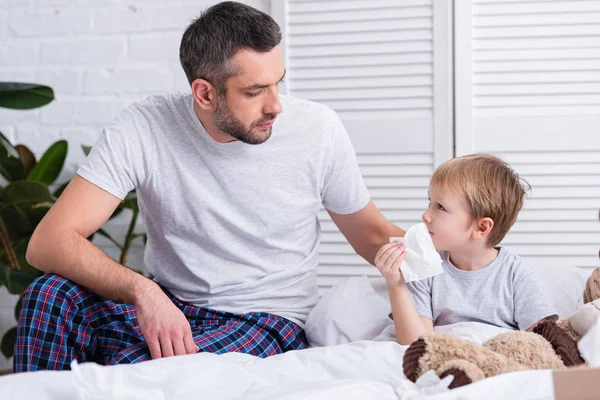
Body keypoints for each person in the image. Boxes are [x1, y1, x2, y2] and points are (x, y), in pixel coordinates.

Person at [15, 1, 404, 371]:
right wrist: (144, 292)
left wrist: (454, 259)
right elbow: (48, 243)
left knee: (138, 375)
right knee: (50, 296)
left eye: (277, 84)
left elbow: (371, 234)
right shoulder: (145, 126)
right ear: (204, 93)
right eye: (255, 92)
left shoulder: (318, 128)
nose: (276, 106)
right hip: (172, 306)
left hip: (265, 319)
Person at [375, 154, 557, 345]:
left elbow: (541, 343)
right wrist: (396, 285)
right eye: (430, 203)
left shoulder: (518, 275)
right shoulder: (423, 268)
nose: (426, 215)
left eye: (440, 207)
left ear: (481, 228)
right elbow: (415, 343)